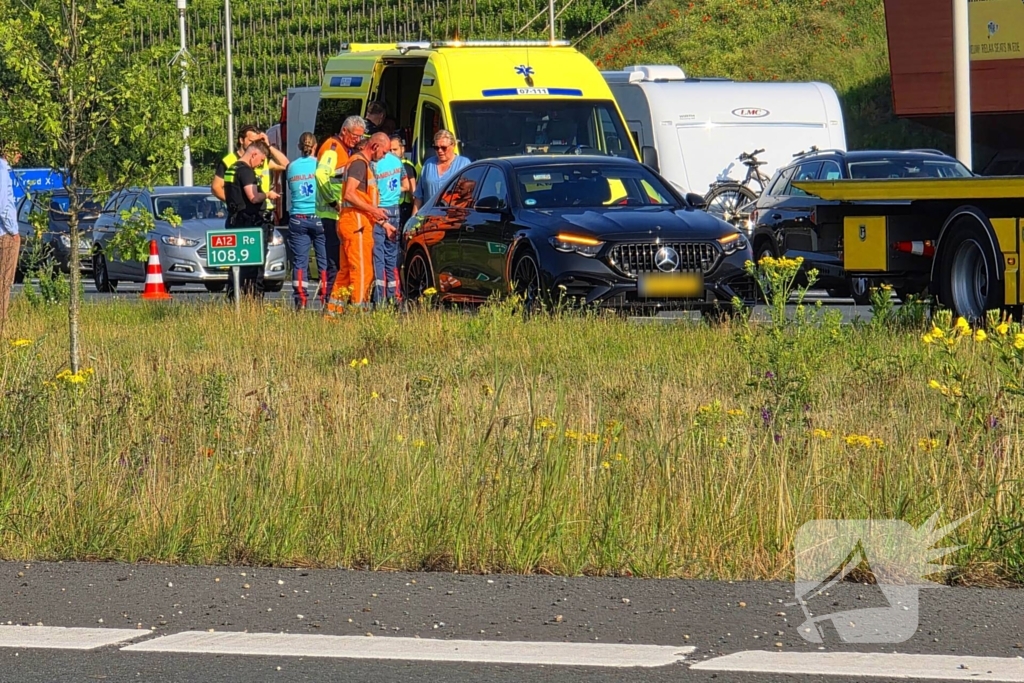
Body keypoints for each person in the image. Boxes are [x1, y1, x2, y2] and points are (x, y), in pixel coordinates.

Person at [325, 135, 389, 315]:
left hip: (353, 222)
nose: (384, 156)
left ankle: (332, 315)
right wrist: (375, 212)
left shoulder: (360, 164)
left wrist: (384, 224)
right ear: (375, 146)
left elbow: (362, 199)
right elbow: (350, 195)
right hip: (356, 224)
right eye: (383, 151)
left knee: (346, 272)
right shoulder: (360, 164)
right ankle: (359, 314)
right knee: (362, 271)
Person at [315, 115, 366, 300]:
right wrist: (332, 202)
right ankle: (330, 303)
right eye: (355, 135)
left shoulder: (344, 148)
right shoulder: (333, 148)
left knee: (341, 262)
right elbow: (321, 174)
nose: (358, 140)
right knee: (334, 263)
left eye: (361, 136)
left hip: (339, 215)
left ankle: (338, 303)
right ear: (344, 131)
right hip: (331, 214)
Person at [224, 140, 279, 299]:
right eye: (261, 160)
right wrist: (267, 194)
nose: (260, 164)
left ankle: (234, 299)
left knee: (236, 266)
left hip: (235, 221)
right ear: (254, 154)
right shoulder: (246, 171)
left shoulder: (232, 169)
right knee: (254, 267)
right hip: (250, 224)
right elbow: (253, 197)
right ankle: (253, 302)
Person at [212, 125, 288, 226]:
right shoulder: (229, 161)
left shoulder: (262, 159)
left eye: (257, 141)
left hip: (262, 212)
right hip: (243, 214)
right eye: (251, 141)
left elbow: (285, 164)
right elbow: (216, 188)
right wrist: (236, 203)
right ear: (241, 140)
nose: (254, 144)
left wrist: (268, 145)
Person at [285, 132, 327, 310]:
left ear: (298, 146)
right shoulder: (320, 165)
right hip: (319, 217)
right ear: (316, 146)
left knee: (300, 262)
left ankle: (300, 300)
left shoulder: (292, 167)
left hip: (298, 218)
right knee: (324, 261)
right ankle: (326, 298)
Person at [371, 132, 409, 305]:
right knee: (392, 256)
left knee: (378, 256)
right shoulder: (397, 161)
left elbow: (371, 191)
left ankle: (380, 299)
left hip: (379, 210)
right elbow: (407, 185)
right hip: (395, 209)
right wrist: (394, 191)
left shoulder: (374, 164)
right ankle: (394, 296)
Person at [413, 129, 471, 214]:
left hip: (453, 219)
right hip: (429, 218)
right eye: (436, 148)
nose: (440, 151)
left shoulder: (464, 164)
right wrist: (413, 220)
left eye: (444, 148)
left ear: (453, 145)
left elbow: (469, 195)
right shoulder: (428, 164)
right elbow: (419, 196)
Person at [0, 140, 22, 334]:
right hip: (4, 236)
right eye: (17, 149)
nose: (20, 154)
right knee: (4, 283)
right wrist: (14, 232)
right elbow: (3, 206)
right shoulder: (2, 171)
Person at [391, 135, 417, 228]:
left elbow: (413, 190)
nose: (392, 153)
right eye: (390, 150)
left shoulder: (405, 165)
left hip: (403, 207)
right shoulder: (391, 164)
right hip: (394, 205)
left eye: (395, 149)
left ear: (402, 149)